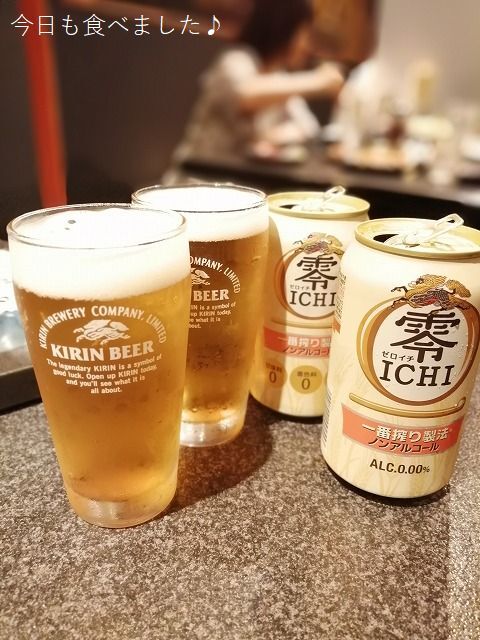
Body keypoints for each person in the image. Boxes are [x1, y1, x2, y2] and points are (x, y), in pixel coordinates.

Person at [169, 0, 344, 169]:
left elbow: (310, 129)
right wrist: (320, 81)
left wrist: (274, 136)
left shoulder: (280, 78)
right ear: (284, 28)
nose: (307, 45)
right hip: (197, 177)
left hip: (243, 180)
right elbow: (245, 95)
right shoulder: (236, 60)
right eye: (305, 33)